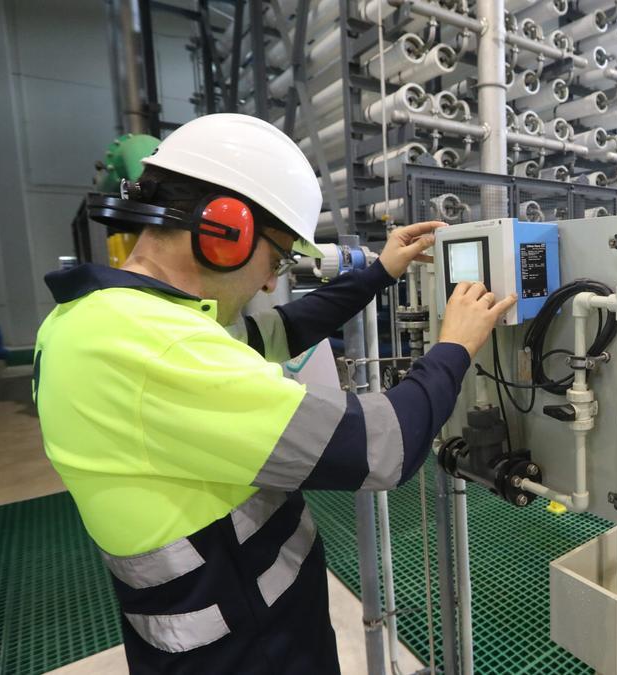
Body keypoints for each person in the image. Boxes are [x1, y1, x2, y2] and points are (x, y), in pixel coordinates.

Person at [34, 113, 514, 673]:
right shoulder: (152, 348)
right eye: (278, 257)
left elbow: (276, 331)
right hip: (245, 651)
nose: (269, 282)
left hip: (206, 629)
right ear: (224, 231)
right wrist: (454, 347)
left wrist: (380, 271)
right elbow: (383, 448)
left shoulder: (100, 319)